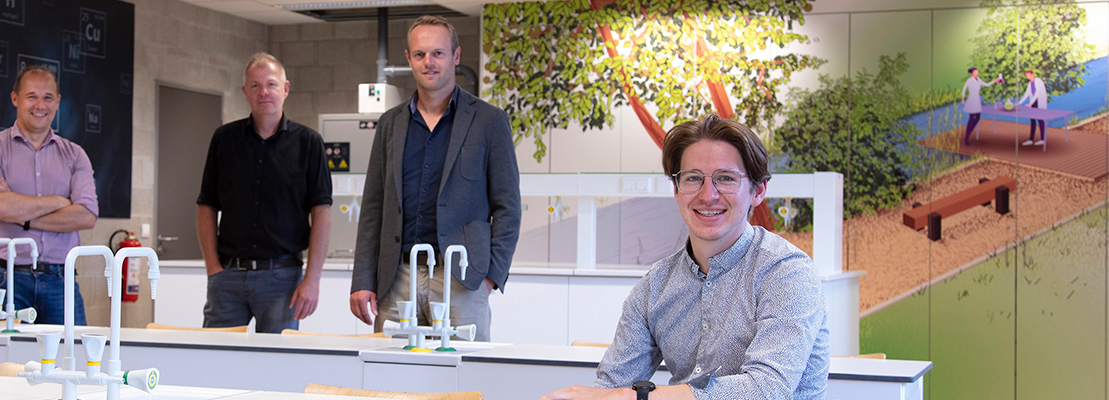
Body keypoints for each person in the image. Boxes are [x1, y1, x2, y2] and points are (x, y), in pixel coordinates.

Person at [538, 115, 828, 400]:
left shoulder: (788, 274)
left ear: (758, 191)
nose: (707, 195)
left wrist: (635, 397)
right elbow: (611, 386)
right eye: (693, 178)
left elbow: (767, 390)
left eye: (726, 179)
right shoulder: (656, 286)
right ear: (676, 191)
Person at [349, 15, 521, 341]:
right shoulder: (390, 124)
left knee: (463, 369)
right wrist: (362, 279)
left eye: (438, 53)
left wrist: (490, 278)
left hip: (461, 279)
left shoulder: (488, 121)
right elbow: (373, 207)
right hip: (396, 279)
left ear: (455, 56)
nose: (428, 62)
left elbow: (508, 206)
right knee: (391, 369)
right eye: (420, 54)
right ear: (409, 58)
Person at [196, 53, 333, 333]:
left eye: (271, 84)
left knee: (276, 358)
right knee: (216, 354)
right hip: (228, 277)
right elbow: (206, 205)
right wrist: (213, 268)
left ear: (285, 89)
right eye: (255, 85)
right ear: (245, 92)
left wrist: (312, 279)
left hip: (282, 279)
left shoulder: (309, 143)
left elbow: (322, 213)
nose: (264, 92)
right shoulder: (224, 140)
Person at [0, 65, 98, 325]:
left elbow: (86, 216)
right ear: (15, 98)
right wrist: (59, 203)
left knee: (71, 351)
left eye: (47, 97)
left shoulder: (75, 155)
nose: (40, 105)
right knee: (5, 352)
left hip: (61, 279)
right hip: (4, 279)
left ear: (57, 102)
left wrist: (21, 214)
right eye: (32, 96)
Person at [960, 67, 1002, 146]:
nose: (977, 72)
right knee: (971, 118)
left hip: (977, 100)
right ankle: (967, 136)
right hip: (972, 100)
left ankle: (968, 134)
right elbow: (964, 88)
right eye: (976, 71)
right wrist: (962, 98)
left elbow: (986, 84)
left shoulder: (978, 79)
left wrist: (995, 80)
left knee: (977, 118)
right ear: (973, 72)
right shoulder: (970, 80)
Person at [1015, 69, 1050, 146]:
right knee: (1032, 120)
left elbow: (1037, 92)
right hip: (1033, 103)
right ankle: (1031, 139)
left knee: (1040, 120)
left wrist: (1031, 102)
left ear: (1031, 74)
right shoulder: (1030, 83)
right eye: (1026, 75)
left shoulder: (1038, 81)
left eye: (1028, 75)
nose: (1027, 76)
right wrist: (1020, 102)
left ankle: (1043, 139)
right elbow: (1027, 93)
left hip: (1038, 102)